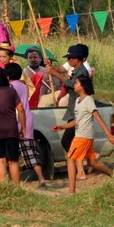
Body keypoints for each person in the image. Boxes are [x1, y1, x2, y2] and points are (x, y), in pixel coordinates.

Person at [52, 76, 114, 194]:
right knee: (92, 163)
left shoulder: (88, 100)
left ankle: (71, 191)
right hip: (83, 136)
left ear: (83, 87)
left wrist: (109, 135)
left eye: (77, 83)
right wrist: (62, 127)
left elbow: (98, 117)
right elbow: (77, 121)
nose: (75, 85)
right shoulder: (78, 101)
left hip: (83, 136)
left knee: (70, 159)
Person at [45, 44, 90, 180]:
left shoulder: (82, 71)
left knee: (67, 141)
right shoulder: (75, 69)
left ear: (80, 59)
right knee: (72, 141)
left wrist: (56, 74)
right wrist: (50, 67)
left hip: (79, 110)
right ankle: (83, 164)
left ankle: (83, 164)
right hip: (74, 109)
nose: (69, 60)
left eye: (71, 57)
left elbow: (72, 84)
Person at [4, 63, 47, 187]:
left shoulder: (10, 87)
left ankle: (10, 180)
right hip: (27, 119)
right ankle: (41, 178)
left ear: (8, 75)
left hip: (15, 119)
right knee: (30, 150)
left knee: (10, 152)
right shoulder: (24, 86)